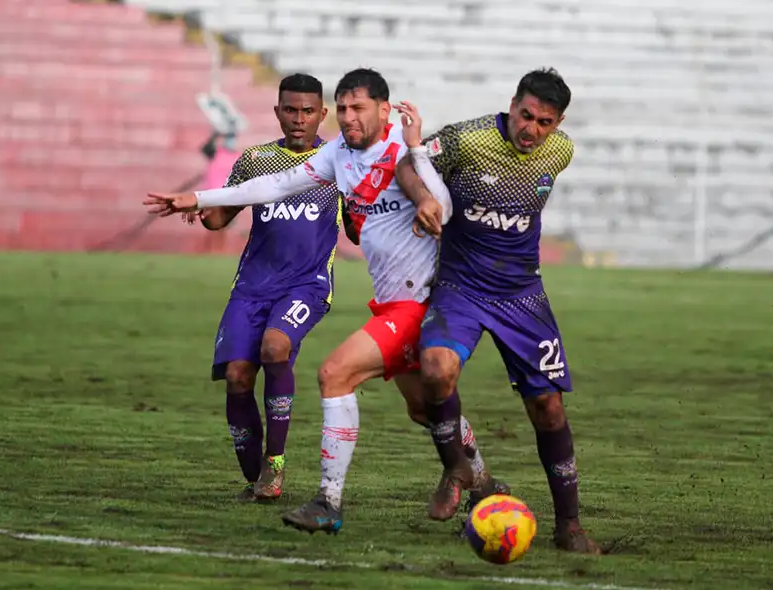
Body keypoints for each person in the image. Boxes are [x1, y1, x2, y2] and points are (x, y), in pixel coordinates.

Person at [144, 68, 507, 534]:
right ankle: (484, 483)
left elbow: (442, 204)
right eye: (345, 108)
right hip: (390, 301)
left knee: (335, 374)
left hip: (421, 302)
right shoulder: (338, 154)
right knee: (425, 408)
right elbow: (275, 185)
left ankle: (328, 501)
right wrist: (197, 198)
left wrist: (420, 165)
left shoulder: (402, 148)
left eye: (359, 108)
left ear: (384, 109)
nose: (349, 117)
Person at [393, 68, 601, 553]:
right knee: (435, 369)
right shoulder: (467, 140)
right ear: (512, 104)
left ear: (558, 123)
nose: (531, 129)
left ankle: (569, 526)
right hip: (461, 286)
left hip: (521, 294)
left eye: (544, 122)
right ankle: (456, 468)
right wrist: (423, 198)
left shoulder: (561, 151)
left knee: (548, 407)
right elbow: (407, 165)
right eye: (525, 115)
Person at [183, 73, 341, 502]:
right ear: (277, 112)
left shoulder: (336, 163)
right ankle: (256, 480)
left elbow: (360, 218)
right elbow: (221, 217)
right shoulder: (256, 160)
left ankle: (276, 462)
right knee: (237, 377)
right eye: (290, 110)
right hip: (253, 286)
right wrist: (201, 208)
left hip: (307, 285)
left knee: (275, 348)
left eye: (308, 111)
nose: (299, 119)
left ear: (322, 114)